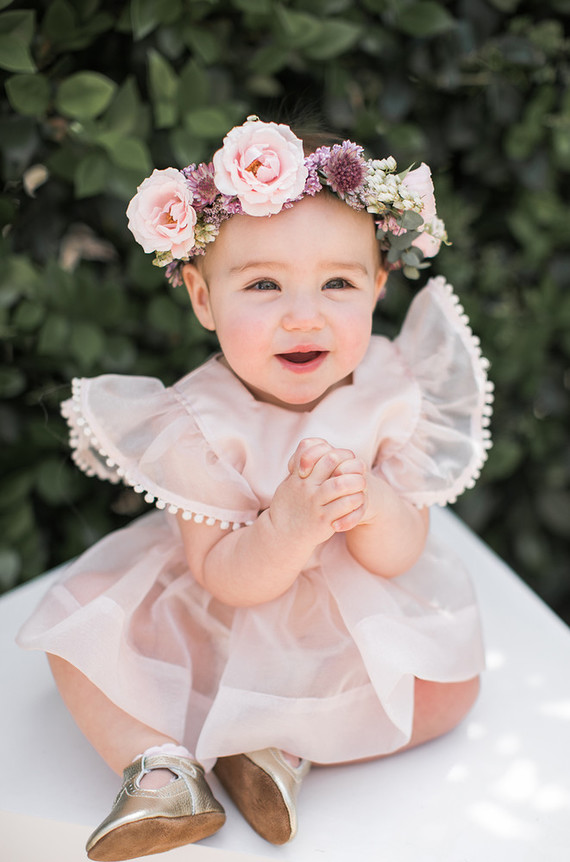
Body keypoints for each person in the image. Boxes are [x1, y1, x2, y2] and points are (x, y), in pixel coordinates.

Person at [17, 116, 493, 861]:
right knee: (77, 643)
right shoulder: (196, 425)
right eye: (264, 284)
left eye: (337, 283)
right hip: (222, 606)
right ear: (204, 300)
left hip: (346, 610)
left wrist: (369, 501)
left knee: (450, 688)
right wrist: (291, 525)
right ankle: (162, 770)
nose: (303, 314)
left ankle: (279, 751)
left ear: (377, 286)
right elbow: (223, 579)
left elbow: (402, 554)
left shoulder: (392, 389)